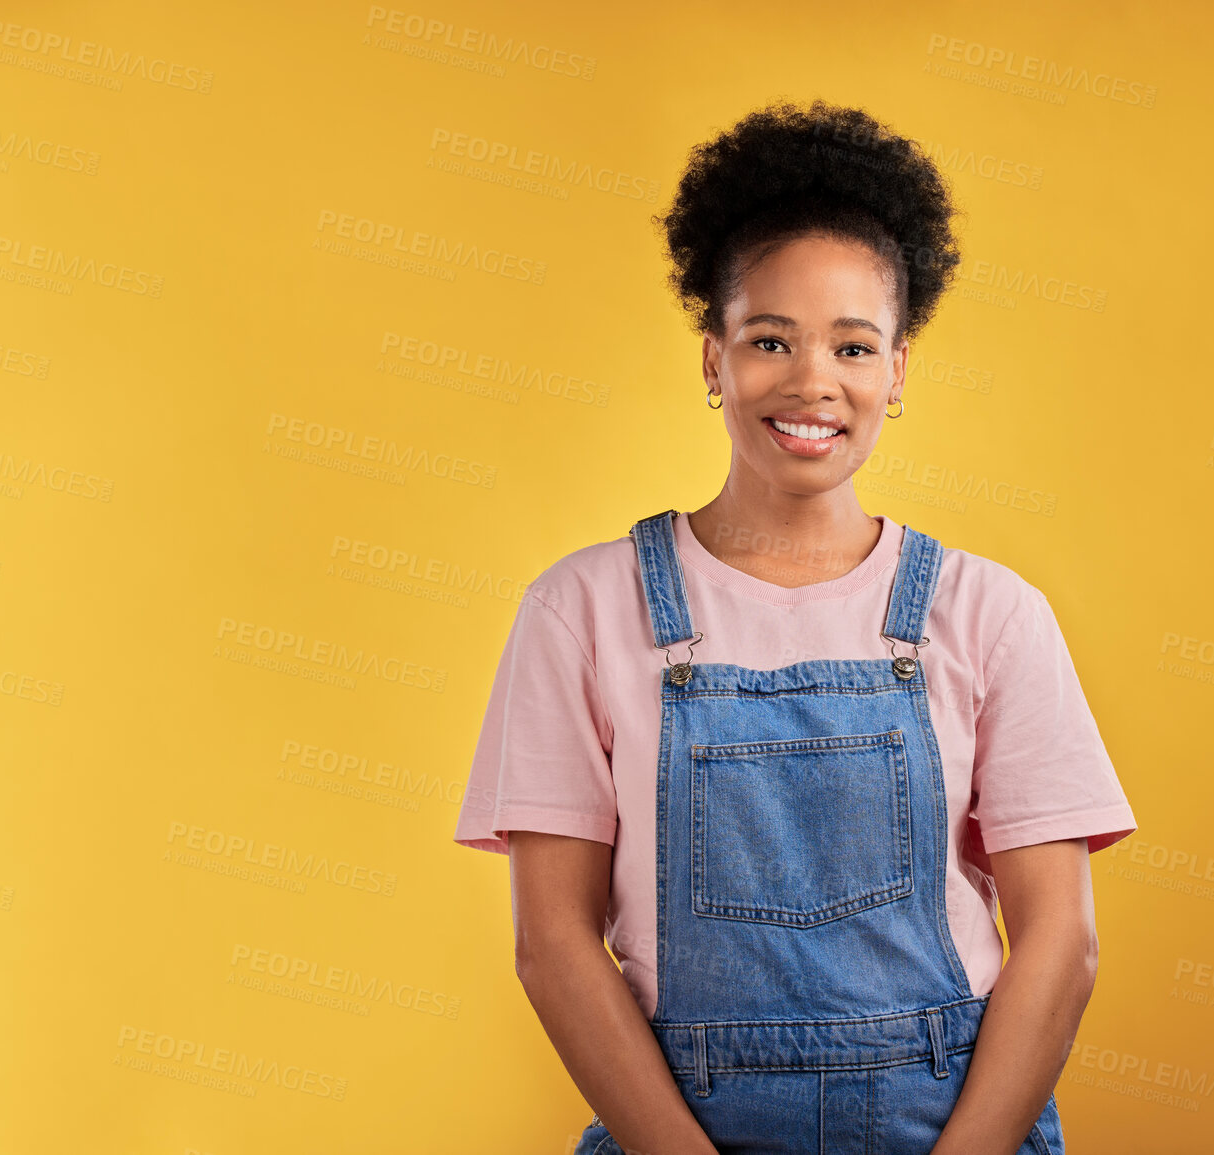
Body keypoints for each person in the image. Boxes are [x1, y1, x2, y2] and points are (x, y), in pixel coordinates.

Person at [454, 98, 1138, 1155]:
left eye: (854, 347)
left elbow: (1062, 943)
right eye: (770, 338)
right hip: (680, 1130)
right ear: (713, 357)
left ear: (899, 370)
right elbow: (553, 942)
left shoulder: (990, 613)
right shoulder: (580, 611)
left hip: (956, 1128)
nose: (814, 382)